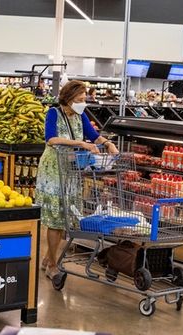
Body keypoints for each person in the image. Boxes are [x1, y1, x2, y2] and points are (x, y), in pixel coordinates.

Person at [36, 80, 119, 279]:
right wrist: (80, 143)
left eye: (85, 99)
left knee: (67, 217)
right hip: (54, 170)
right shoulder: (54, 113)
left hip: (72, 170)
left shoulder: (81, 116)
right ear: (69, 98)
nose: (83, 102)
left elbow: (94, 135)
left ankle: (49, 258)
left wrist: (108, 144)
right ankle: (52, 265)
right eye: (80, 99)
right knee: (56, 220)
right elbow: (51, 139)